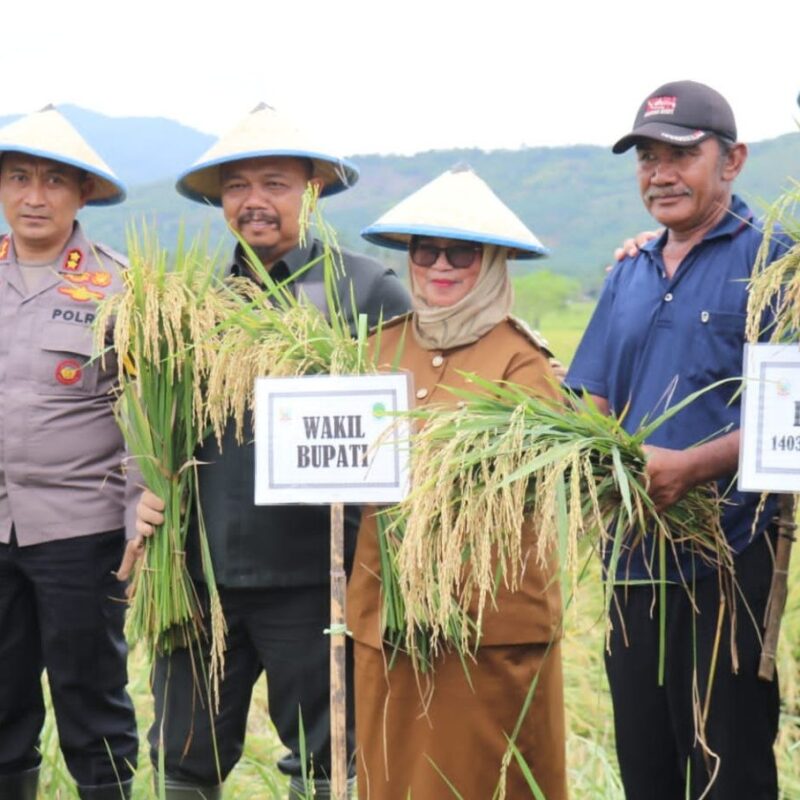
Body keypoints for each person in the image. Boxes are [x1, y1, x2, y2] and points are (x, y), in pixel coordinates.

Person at [128, 103, 410, 800]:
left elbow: (414, 420)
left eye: (276, 184)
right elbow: (152, 426)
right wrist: (146, 493)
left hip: (318, 576)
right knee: (181, 759)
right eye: (237, 187)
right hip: (199, 576)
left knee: (326, 758)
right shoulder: (192, 301)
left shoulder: (366, 289)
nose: (254, 203)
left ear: (312, 191)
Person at [566, 80, 790, 799]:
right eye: (646, 158)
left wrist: (694, 466)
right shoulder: (627, 271)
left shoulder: (776, 265)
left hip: (730, 556)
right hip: (631, 557)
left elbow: (793, 413)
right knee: (647, 761)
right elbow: (594, 397)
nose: (660, 173)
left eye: (681, 155)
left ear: (732, 160)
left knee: (727, 765)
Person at [347, 164, 567, 800]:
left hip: (484, 628)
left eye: (461, 252)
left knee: (471, 780)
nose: (439, 265)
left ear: (493, 260)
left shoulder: (525, 361)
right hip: (388, 615)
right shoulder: (375, 350)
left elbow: (529, 491)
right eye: (426, 249)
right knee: (391, 779)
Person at [0, 106, 138, 800]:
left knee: (91, 701)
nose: (33, 196)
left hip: (81, 530)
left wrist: (145, 509)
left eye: (54, 181)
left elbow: (144, 415)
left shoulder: (118, 287)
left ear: (82, 194)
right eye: (18, 177)